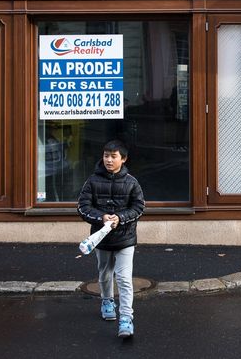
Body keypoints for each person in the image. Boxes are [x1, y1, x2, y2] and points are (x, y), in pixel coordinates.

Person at [77, 140, 145, 338]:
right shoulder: (92, 181)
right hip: (102, 240)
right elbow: (82, 207)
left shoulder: (132, 182)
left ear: (123, 159)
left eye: (113, 156)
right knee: (105, 275)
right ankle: (107, 301)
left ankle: (126, 318)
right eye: (106, 155)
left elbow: (139, 208)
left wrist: (121, 218)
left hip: (125, 239)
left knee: (124, 279)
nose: (108, 160)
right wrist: (102, 217)